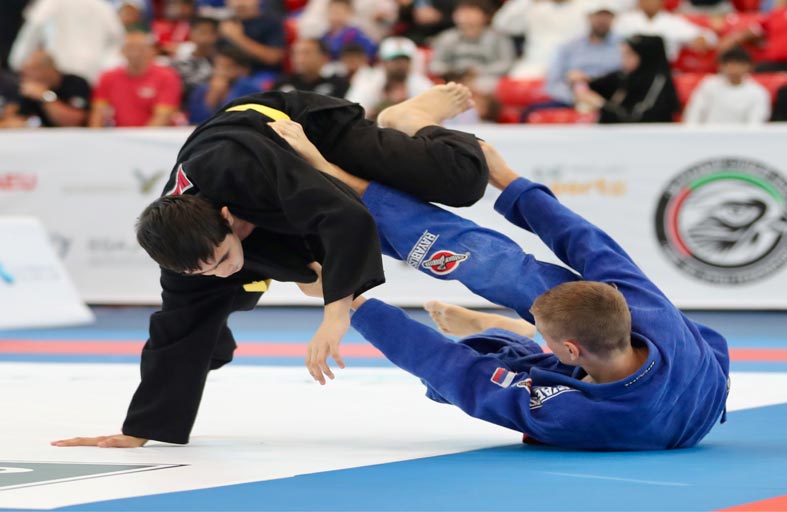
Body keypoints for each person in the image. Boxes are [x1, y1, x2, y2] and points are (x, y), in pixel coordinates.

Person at [51, 83, 489, 448]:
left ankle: (409, 117)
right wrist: (139, 431)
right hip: (259, 214)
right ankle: (234, 324)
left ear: (229, 219)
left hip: (303, 132)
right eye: (204, 270)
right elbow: (175, 331)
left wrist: (335, 314)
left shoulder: (241, 169)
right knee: (195, 323)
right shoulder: (189, 250)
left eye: (221, 260)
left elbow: (346, 217)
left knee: (462, 181)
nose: (220, 272)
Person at [268, 123, 730, 451]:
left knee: (461, 373)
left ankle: (504, 332)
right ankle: (342, 179)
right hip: (692, 377)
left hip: (638, 407)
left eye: (545, 332)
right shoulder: (644, 310)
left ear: (569, 351)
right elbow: (587, 242)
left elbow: (450, 368)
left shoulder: (574, 415)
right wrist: (506, 178)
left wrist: (351, 300)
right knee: (506, 272)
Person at [9, 0, 124, 83]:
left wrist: (18, 61)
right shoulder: (102, 6)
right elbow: (117, 39)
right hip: (92, 70)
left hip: (60, 68)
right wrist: (106, 65)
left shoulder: (51, 2)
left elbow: (33, 29)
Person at [573, 35, 680, 123]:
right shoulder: (625, 75)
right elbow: (593, 85)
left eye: (629, 54)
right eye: (623, 54)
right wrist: (580, 83)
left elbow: (636, 118)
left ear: (645, 56)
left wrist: (600, 104)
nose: (624, 60)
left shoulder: (658, 80)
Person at [90, 31, 183, 127]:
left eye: (141, 49)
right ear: (122, 51)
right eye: (130, 48)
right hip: (119, 133)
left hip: (155, 134)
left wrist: (142, 136)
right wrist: (95, 134)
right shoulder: (108, 77)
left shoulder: (167, 77)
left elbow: (163, 116)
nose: (135, 53)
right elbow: (98, 113)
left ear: (152, 51)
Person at [545, 0, 623, 107]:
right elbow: (553, 83)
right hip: (574, 99)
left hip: (612, 100)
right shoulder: (569, 47)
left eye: (607, 16)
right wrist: (575, 97)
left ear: (614, 18)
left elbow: (629, 79)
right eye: (598, 15)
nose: (602, 20)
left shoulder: (624, 47)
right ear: (589, 16)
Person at [429, 0, 515, 90]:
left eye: (471, 11)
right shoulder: (447, 37)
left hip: (486, 78)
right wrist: (453, 71)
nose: (466, 16)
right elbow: (435, 64)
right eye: (462, 12)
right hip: (454, 78)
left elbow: (506, 64)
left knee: (486, 85)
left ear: (485, 15)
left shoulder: (498, 37)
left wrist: (478, 71)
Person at [493, 0, 587, 79]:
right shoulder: (533, 7)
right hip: (535, 66)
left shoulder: (585, 6)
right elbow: (501, 24)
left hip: (575, 67)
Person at [345, 37, 433, 118]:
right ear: (383, 61)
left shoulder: (422, 84)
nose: (400, 64)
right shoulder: (368, 81)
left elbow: (431, 115)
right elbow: (352, 112)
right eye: (395, 60)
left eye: (404, 60)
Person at [1, 50, 91, 128]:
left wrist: (45, 96)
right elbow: (15, 119)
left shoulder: (75, 83)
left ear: (48, 69)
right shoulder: (27, 88)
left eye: (32, 69)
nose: (25, 75)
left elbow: (74, 121)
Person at [683, 46, 771, 124]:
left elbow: (756, 121)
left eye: (738, 64)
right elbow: (694, 113)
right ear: (721, 66)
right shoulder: (709, 85)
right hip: (709, 134)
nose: (733, 69)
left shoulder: (757, 92)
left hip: (743, 136)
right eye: (729, 64)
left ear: (748, 66)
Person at [614, 0, 717, 62]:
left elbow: (709, 36)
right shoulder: (626, 20)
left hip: (663, 68)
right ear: (640, 2)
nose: (651, 2)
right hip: (629, 66)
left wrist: (702, 38)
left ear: (662, 2)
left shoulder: (672, 21)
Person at [218, 0, 286, 84]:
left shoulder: (271, 23)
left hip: (261, 74)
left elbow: (273, 58)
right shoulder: (225, 24)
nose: (240, 3)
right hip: (228, 74)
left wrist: (238, 38)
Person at [187, 47, 259, 124]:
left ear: (242, 69)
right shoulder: (202, 89)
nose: (220, 71)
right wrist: (213, 96)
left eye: (227, 67)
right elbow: (196, 120)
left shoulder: (249, 88)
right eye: (217, 66)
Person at [718, 0, 787, 72]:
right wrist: (733, 39)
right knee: (759, 69)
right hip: (775, 63)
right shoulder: (777, 15)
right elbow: (755, 30)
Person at [274, 39, 350, 98]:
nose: (299, 59)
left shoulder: (338, 85)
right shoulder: (283, 83)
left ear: (324, 58)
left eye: (306, 53)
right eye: (295, 53)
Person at [171, 16, 220, 104]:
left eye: (210, 33)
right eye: (201, 32)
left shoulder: (221, 60)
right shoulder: (181, 60)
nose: (205, 37)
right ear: (191, 33)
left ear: (217, 35)